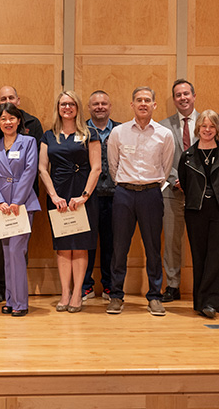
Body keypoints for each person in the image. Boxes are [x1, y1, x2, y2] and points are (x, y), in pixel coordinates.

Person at [107, 86, 174, 316]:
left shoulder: (164, 134)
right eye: (139, 100)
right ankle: (116, 296)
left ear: (154, 105)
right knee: (119, 248)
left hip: (151, 194)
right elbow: (112, 165)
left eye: (147, 100)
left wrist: (150, 185)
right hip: (124, 194)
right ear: (131, 104)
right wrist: (126, 184)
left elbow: (166, 168)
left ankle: (155, 296)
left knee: (153, 248)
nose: (143, 103)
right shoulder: (119, 132)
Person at [0, 85, 43, 303]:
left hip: (22, 205)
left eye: (12, 118)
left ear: (18, 120)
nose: (8, 122)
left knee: (17, 253)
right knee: (6, 254)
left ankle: (20, 302)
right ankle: (9, 299)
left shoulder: (29, 142)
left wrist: (15, 202)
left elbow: (30, 172)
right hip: (1, 208)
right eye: (3, 119)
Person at [39, 91, 101, 313]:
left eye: (71, 104)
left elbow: (96, 168)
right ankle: (65, 292)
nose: (67, 107)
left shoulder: (90, 133)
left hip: (82, 196)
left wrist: (84, 196)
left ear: (77, 107)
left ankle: (77, 294)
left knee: (81, 247)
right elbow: (42, 168)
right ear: (58, 107)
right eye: (63, 104)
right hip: (58, 196)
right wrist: (54, 196)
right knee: (64, 247)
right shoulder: (49, 135)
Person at [178, 110, 219, 319]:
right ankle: (200, 301)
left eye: (212, 126)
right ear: (198, 128)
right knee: (199, 255)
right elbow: (185, 183)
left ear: (217, 129)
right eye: (204, 126)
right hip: (196, 211)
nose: (207, 130)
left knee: (218, 256)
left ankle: (212, 303)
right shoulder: (187, 156)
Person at [159, 79, 199, 303]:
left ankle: (202, 285)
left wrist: (193, 182)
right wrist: (177, 179)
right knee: (172, 241)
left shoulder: (206, 121)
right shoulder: (163, 125)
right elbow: (160, 158)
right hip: (172, 191)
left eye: (186, 93)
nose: (182, 98)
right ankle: (173, 286)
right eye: (178, 95)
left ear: (194, 96)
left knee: (200, 240)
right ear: (174, 99)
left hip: (201, 193)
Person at [82, 90, 120, 301]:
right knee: (86, 241)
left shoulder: (122, 130)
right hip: (88, 196)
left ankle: (108, 285)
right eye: (95, 104)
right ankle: (86, 285)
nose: (100, 107)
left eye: (104, 103)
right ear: (89, 108)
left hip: (116, 195)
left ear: (110, 106)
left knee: (111, 242)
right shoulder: (81, 131)